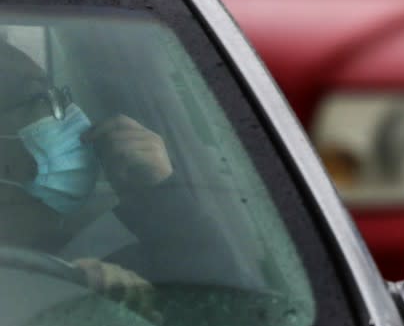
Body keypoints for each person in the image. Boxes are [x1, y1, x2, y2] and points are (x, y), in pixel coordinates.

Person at [0, 39, 243, 306]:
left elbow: (234, 309)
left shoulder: (111, 255)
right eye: (41, 97)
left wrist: (163, 198)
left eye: (61, 95)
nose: (76, 116)